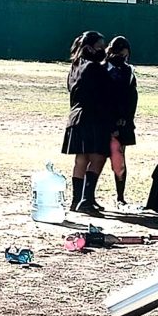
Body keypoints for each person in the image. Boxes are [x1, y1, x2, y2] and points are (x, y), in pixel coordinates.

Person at [61, 30, 113, 216]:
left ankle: (77, 199)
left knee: (81, 159)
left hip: (76, 116)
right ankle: (86, 199)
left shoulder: (75, 66)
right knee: (98, 157)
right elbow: (105, 93)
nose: (104, 50)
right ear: (90, 47)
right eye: (100, 46)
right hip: (93, 118)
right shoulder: (94, 68)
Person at [104, 36, 138, 207]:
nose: (122, 58)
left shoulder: (128, 72)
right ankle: (86, 197)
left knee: (119, 160)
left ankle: (120, 197)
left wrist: (125, 119)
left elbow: (132, 98)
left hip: (122, 122)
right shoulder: (101, 69)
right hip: (102, 121)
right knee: (94, 159)